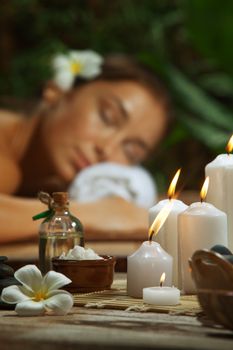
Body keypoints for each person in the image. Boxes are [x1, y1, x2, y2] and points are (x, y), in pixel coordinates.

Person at [0, 51, 170, 244]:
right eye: (108, 117)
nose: (106, 149)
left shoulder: (46, 184)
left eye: (131, 152)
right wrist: (100, 215)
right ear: (58, 90)